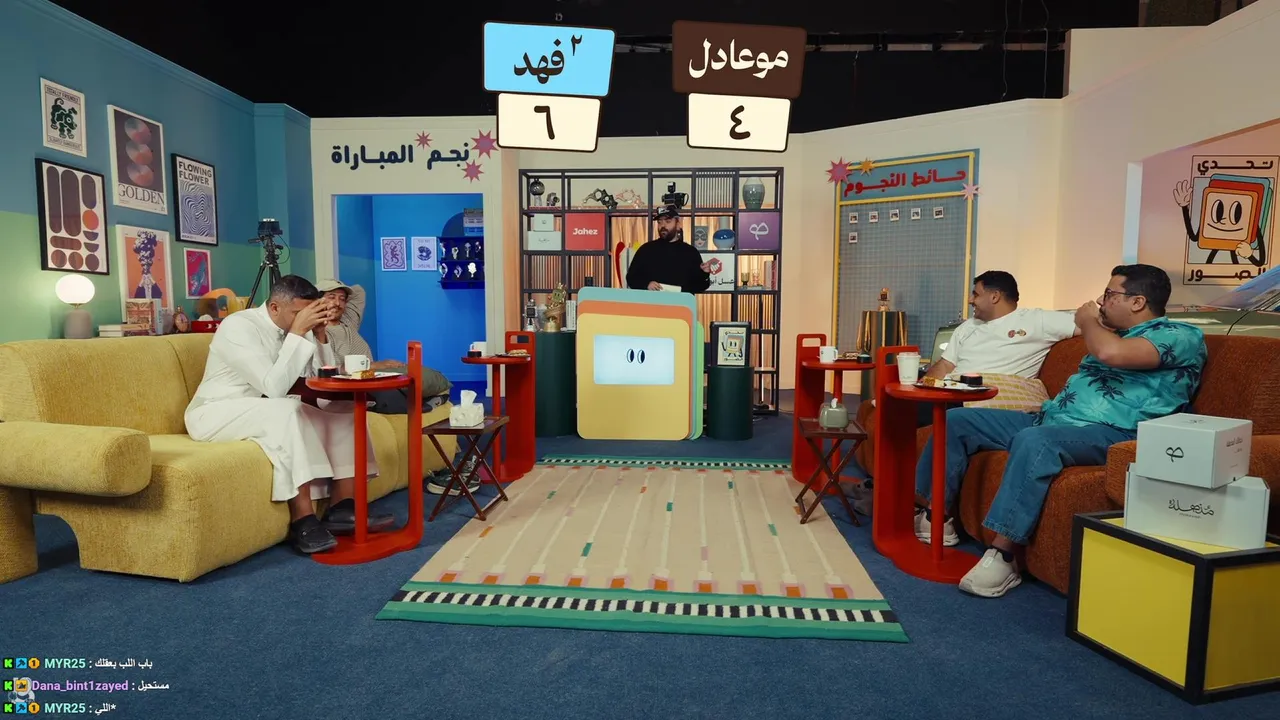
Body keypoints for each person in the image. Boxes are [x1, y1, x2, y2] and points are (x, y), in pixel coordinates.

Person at [914, 264, 1206, 598]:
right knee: (958, 421)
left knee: (1034, 441)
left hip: (1115, 433)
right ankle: (935, 515)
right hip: (1055, 419)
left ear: (1138, 302)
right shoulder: (1114, 334)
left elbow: (1111, 354)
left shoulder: (1179, 335)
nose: (1101, 300)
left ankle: (1004, 554)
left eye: (1110, 294)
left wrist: (1088, 321)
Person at [184, 275, 394, 555]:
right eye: (298, 313)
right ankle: (303, 519)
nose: (303, 320)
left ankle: (343, 507)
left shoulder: (293, 328)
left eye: (308, 313)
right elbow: (274, 388)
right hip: (215, 411)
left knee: (343, 407)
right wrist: (298, 332)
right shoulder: (239, 326)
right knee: (288, 409)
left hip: (262, 407)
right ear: (274, 307)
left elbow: (321, 375)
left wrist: (319, 335)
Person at [315, 277, 479, 498]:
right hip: (359, 384)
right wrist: (374, 365)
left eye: (342, 299)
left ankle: (432, 401)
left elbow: (359, 291)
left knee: (425, 377)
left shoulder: (348, 322)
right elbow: (331, 369)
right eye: (330, 297)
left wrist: (336, 293)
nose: (337, 303)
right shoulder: (318, 333)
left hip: (376, 376)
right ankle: (429, 403)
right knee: (414, 382)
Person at [911, 270, 1080, 426]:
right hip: (952, 392)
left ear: (994, 297)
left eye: (976, 294)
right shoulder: (967, 327)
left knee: (912, 413)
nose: (970, 300)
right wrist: (923, 389)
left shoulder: (1036, 320)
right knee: (903, 403)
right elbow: (945, 365)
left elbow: (1087, 322)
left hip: (984, 399)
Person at [625, 204, 712, 294]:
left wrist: (705, 274)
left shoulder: (690, 252)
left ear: (678, 225)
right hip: (652, 302)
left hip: (681, 302)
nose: (663, 226)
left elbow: (701, 286)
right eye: (660, 222)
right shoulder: (646, 250)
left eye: (668, 221)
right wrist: (646, 284)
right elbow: (631, 278)